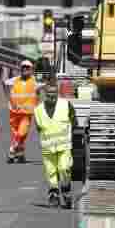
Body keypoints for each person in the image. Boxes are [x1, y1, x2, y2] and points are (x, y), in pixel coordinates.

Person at [33, 80, 77, 208]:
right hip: (47, 147)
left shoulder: (66, 105)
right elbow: (39, 128)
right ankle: (53, 194)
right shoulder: (38, 110)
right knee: (51, 172)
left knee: (64, 168)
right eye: (49, 93)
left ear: (57, 93)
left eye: (54, 93)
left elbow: (74, 122)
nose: (51, 95)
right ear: (45, 94)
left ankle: (66, 190)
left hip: (64, 146)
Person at [1, 60, 40, 163]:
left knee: (21, 133)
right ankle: (20, 155)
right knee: (17, 135)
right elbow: (4, 83)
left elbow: (45, 87)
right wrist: (8, 98)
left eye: (27, 68)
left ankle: (11, 152)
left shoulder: (35, 81)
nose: (25, 69)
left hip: (26, 114)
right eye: (23, 67)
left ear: (31, 70)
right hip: (14, 112)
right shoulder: (15, 80)